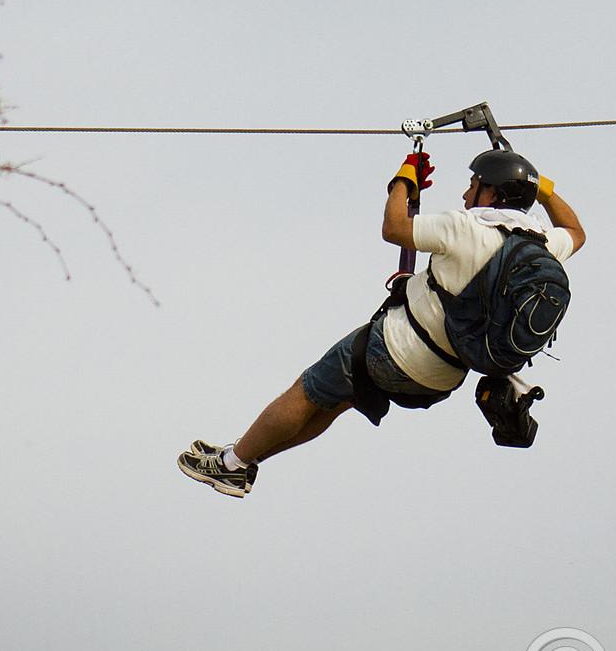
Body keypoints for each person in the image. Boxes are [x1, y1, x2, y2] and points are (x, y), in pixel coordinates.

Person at [177, 146, 586, 497]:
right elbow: (576, 231)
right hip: (442, 377)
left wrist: (403, 181)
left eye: (474, 184)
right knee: (333, 401)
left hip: (393, 350)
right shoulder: (542, 242)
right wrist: (543, 188)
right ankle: (240, 461)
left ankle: (234, 460)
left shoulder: (464, 226)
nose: (465, 194)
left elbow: (394, 228)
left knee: (306, 392)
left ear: (492, 193)